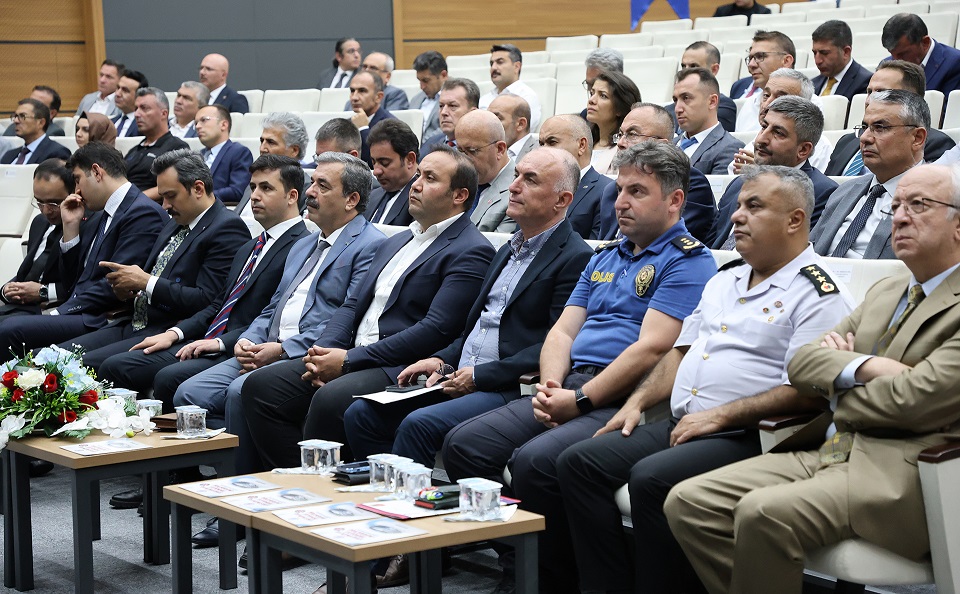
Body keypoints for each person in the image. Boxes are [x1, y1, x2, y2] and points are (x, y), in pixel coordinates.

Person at [558, 165, 854, 594]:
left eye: (754, 206)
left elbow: (806, 394)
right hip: (686, 422)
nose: (736, 216)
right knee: (579, 463)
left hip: (753, 434)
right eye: (738, 205)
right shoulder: (725, 278)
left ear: (795, 220)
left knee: (651, 478)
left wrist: (720, 416)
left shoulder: (819, 294)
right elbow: (680, 351)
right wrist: (636, 403)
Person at [665, 163, 960, 594]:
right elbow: (802, 365)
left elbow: (916, 399)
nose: (898, 217)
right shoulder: (887, 290)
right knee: (690, 503)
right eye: (896, 205)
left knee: (762, 513)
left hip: (902, 475)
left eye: (918, 205)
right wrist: (865, 368)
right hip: (828, 452)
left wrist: (838, 387)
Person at [442, 141, 718, 594]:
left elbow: (653, 348)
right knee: (465, 446)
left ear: (674, 200)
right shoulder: (605, 255)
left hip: (626, 398)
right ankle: (527, 566)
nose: (621, 202)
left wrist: (581, 399)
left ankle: (549, 579)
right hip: (569, 386)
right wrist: (552, 388)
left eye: (637, 191)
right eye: (619, 189)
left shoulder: (688, 260)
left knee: (535, 463)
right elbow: (562, 333)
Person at [172, 153, 385, 546]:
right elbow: (273, 306)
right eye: (312, 182)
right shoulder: (304, 244)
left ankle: (240, 506)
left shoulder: (371, 245)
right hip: (265, 345)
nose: (310, 191)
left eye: (322, 185)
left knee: (240, 392)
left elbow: (343, 319)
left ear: (352, 200)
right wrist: (249, 340)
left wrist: (282, 349)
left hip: (307, 353)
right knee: (190, 392)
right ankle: (229, 485)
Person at [240, 145, 495, 468]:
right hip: (352, 353)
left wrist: (348, 361)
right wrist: (322, 352)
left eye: (429, 178)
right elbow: (351, 305)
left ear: (459, 195)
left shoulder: (471, 249)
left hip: (400, 365)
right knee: (260, 387)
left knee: (330, 399)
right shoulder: (397, 241)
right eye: (418, 175)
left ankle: (321, 487)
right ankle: (296, 478)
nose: (415, 185)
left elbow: (436, 329)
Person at [344, 147, 594, 467]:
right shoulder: (506, 250)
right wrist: (440, 359)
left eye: (530, 180)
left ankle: (410, 498)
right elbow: (475, 328)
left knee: (418, 424)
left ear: (562, 200)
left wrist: (479, 375)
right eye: (516, 175)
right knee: (363, 414)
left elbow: (553, 345)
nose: (514, 186)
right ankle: (381, 488)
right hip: (460, 376)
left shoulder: (575, 257)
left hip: (509, 386)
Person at [99, 154, 309, 512]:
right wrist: (176, 333)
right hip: (215, 337)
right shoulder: (253, 245)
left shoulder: (300, 246)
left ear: (292, 196)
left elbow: (271, 316)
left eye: (266, 188)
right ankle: (170, 475)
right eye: (252, 187)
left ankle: (180, 477)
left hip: (244, 344)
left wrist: (220, 342)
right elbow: (217, 304)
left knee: (168, 377)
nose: (255, 196)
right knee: (142, 364)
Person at [60, 148, 250, 370]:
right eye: (162, 197)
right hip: (133, 322)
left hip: (170, 331)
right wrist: (126, 289)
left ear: (198, 189)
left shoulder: (227, 228)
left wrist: (146, 282)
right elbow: (150, 280)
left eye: (170, 196)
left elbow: (207, 300)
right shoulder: (175, 222)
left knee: (77, 365)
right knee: (52, 357)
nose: (165, 205)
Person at [0, 142, 168, 355]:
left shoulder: (142, 213)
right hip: (79, 309)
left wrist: (60, 312)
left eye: (78, 179)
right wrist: (70, 228)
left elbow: (115, 283)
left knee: (10, 329)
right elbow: (73, 280)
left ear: (97, 172)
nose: (77, 190)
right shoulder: (102, 212)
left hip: (102, 317)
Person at [811, 90, 927, 259]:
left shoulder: (938, 201)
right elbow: (809, 251)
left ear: (917, 138)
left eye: (879, 128)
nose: (865, 138)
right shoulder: (843, 191)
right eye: (865, 127)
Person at [711, 96, 838, 248]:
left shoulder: (823, 193)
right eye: (764, 127)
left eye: (778, 133)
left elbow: (792, 252)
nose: (761, 139)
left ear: (803, 150)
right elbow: (711, 244)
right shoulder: (738, 183)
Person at [597, 103, 719, 243]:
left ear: (662, 145)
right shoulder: (611, 191)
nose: (620, 143)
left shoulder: (689, 182)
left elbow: (662, 241)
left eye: (632, 134)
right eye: (620, 134)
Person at [827, 60, 956, 175]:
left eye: (881, 92)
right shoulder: (847, 141)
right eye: (869, 92)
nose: (869, 100)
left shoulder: (936, 143)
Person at [0, 159, 78, 315]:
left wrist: (43, 291)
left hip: (51, 309)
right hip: (20, 304)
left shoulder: (85, 227)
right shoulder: (39, 222)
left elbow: (79, 283)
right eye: (39, 202)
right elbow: (27, 273)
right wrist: (6, 290)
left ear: (74, 193)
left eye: (54, 203)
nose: (46, 210)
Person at [729, 68, 835, 174]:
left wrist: (760, 173)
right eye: (766, 95)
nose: (767, 105)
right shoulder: (760, 139)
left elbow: (811, 183)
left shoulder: (821, 148)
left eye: (780, 98)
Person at [539, 114, 614, 239]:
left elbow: (595, 247)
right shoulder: (534, 187)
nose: (543, 151)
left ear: (581, 145)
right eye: (541, 144)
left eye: (552, 142)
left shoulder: (606, 191)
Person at [673, 67, 744, 174]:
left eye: (686, 98)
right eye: (675, 100)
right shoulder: (668, 144)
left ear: (712, 101)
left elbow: (716, 186)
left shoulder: (730, 148)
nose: (677, 109)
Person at [456, 109, 516, 233]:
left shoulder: (517, 193)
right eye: (460, 151)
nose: (464, 159)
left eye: (472, 151)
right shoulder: (454, 181)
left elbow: (496, 244)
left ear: (500, 149)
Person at [124, 87, 190, 200]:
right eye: (136, 108)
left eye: (144, 108)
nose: (137, 114)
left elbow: (176, 184)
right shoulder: (134, 150)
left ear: (163, 114)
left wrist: (134, 199)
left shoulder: (177, 147)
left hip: (151, 206)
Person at [882, 13, 960, 95]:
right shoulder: (885, 66)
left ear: (925, 43)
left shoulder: (954, 64)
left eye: (903, 54)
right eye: (892, 54)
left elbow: (950, 102)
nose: (895, 61)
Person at [732, 30, 796, 127]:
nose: (751, 64)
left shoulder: (812, 104)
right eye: (750, 58)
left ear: (786, 61)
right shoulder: (748, 106)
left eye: (760, 56)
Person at [671, 41, 737, 132]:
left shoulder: (724, 106)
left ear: (714, 69)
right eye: (683, 66)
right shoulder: (669, 110)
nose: (686, 71)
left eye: (693, 66)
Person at [364, 119, 419, 226]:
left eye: (384, 163)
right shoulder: (372, 196)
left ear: (410, 159)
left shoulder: (422, 202)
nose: (376, 171)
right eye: (373, 162)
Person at [194, 104, 253, 204]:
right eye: (195, 123)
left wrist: (202, 196)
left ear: (224, 125)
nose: (197, 126)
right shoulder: (196, 155)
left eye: (204, 120)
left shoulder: (239, 152)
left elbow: (237, 191)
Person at [586, 70, 641, 174]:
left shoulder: (626, 150)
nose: (591, 100)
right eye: (592, 93)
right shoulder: (583, 142)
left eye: (603, 96)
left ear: (620, 108)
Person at [478, 44, 542, 130]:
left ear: (516, 67)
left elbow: (524, 131)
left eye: (500, 62)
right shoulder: (484, 99)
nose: (493, 67)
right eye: (491, 63)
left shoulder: (527, 97)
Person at [811, 20, 872, 100]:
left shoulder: (867, 83)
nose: (818, 61)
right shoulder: (812, 84)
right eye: (814, 53)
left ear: (846, 52)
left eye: (824, 53)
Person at [420, 78, 480, 156]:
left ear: (472, 113)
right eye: (441, 106)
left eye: (452, 106)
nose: (443, 112)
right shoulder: (430, 144)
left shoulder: (482, 148)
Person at [1, 98, 71, 165]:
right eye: (15, 116)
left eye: (22, 116)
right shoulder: (9, 155)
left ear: (41, 123)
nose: (16, 121)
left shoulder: (57, 153)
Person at [349, 71, 397, 167]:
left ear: (378, 97)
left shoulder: (391, 126)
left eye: (362, 91)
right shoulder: (348, 122)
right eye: (352, 91)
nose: (354, 97)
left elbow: (377, 163)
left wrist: (363, 129)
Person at [343, 52, 410, 112]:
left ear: (387, 76)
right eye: (364, 67)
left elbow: (391, 121)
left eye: (373, 68)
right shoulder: (351, 101)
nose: (366, 71)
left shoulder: (395, 95)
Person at [489, 94, 537, 164]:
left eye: (497, 119)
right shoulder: (488, 149)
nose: (488, 124)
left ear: (521, 124)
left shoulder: (539, 153)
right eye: (488, 118)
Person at [410, 51, 447, 140]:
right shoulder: (415, 99)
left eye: (426, 81)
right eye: (419, 80)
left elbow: (448, 129)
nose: (421, 87)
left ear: (443, 75)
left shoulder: (455, 98)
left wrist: (419, 144)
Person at [111, 70, 148, 138]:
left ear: (139, 96)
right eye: (118, 88)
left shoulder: (146, 125)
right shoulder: (110, 123)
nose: (117, 94)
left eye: (125, 90)